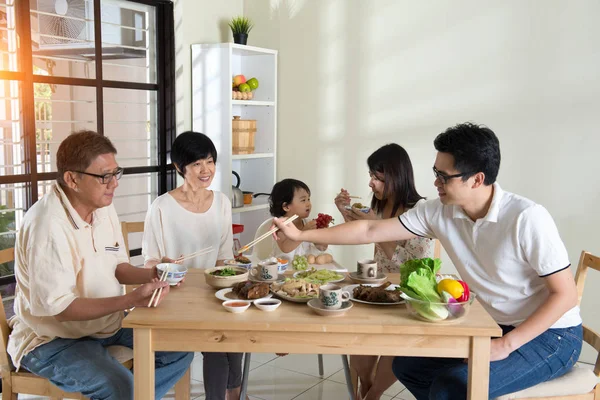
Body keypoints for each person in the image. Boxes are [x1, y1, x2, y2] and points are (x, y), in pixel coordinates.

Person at [273, 122, 582, 400]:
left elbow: (565, 295)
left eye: (443, 176)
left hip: (552, 336)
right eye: (436, 172)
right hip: (495, 326)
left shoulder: (526, 218)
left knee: (452, 386)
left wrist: (506, 345)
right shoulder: (439, 211)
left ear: (477, 179)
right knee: (407, 365)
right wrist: (297, 236)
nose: (435, 182)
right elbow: (370, 228)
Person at [7, 130, 193, 400]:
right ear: (72, 179)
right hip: (52, 340)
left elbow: (117, 265)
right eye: (104, 176)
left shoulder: (102, 206)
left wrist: (153, 273)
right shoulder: (47, 226)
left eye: (116, 173)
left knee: (181, 348)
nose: (114, 184)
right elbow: (61, 310)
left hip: (105, 325)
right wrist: (130, 299)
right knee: (119, 387)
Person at [142, 131, 245, 400]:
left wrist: (231, 274)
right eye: (197, 164)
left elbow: (224, 257)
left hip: (213, 292)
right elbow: (150, 260)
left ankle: (234, 394)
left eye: (210, 162)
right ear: (179, 167)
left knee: (235, 334)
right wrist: (163, 264)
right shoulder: (161, 206)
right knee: (218, 340)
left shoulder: (221, 202)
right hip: (177, 296)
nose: (206, 170)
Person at [334, 144, 435, 400]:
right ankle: (366, 390)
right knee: (358, 336)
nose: (371, 183)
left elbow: (414, 270)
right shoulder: (378, 207)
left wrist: (378, 229)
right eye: (371, 176)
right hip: (377, 286)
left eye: (377, 178)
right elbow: (359, 231)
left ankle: (374, 393)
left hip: (408, 292)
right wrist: (344, 210)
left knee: (395, 344)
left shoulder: (420, 211)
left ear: (397, 177)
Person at [269, 178, 327, 260]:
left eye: (308, 199)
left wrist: (322, 234)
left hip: (305, 269)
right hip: (283, 269)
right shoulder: (280, 225)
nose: (308, 204)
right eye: (303, 200)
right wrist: (303, 231)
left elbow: (322, 248)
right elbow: (285, 248)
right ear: (286, 206)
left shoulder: (308, 223)